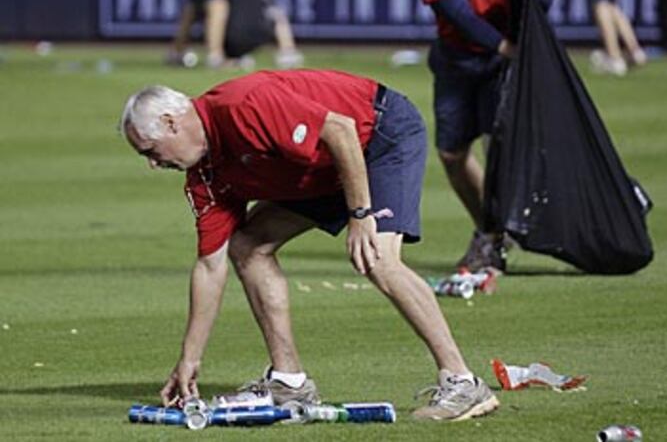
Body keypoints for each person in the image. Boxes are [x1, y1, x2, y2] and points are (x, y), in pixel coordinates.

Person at [118, 70, 499, 421]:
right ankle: (290, 383)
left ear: (171, 123)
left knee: (377, 257)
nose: (153, 164)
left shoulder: (242, 106)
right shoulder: (203, 177)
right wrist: (189, 359)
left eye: (150, 151)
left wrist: (361, 214)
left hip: (377, 136)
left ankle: (464, 383)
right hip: (321, 172)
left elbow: (340, 130)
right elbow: (209, 266)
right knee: (248, 245)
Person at [411, 0, 554, 274]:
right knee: (451, 154)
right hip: (457, 60)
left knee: (498, 149)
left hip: (503, 66)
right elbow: (458, 13)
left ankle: (491, 236)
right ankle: (492, 230)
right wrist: (504, 46)